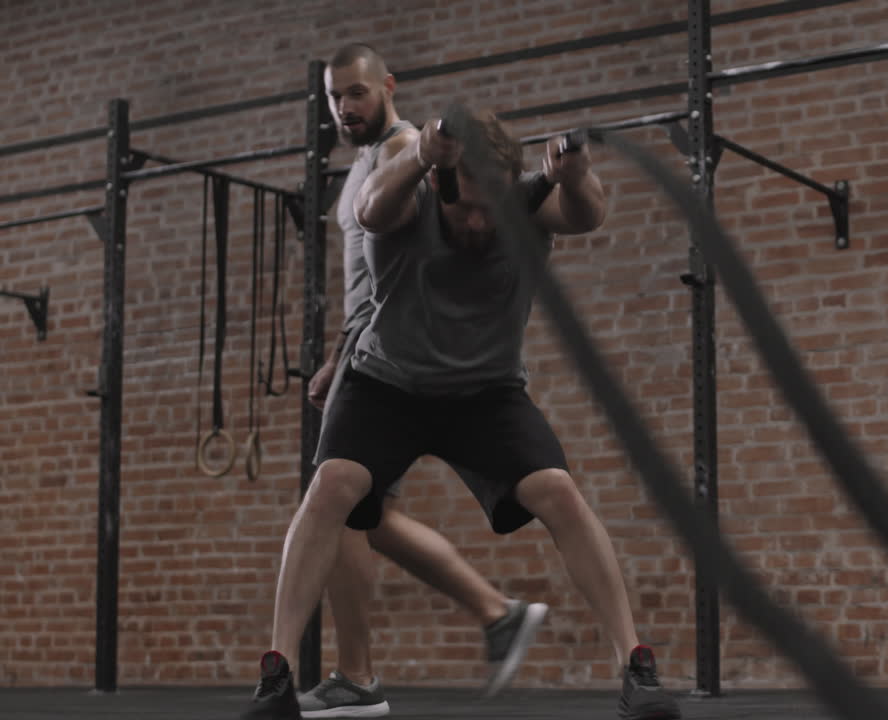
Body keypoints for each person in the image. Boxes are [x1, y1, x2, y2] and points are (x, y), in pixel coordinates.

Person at [239, 51, 681, 720]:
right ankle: (276, 676)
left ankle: (636, 667)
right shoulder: (409, 197)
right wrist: (421, 154)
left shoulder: (525, 203)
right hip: (385, 385)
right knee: (331, 487)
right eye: (467, 207)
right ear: (441, 184)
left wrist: (575, 173)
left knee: (559, 492)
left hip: (486, 393)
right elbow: (368, 208)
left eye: (490, 209)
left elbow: (587, 214)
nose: (479, 222)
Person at [246, 45, 547, 720]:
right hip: (362, 350)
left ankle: (363, 673)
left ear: (387, 86)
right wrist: (338, 352)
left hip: (387, 359)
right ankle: (492, 614)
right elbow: (368, 275)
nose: (344, 107)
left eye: (356, 93)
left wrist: (351, 350)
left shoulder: (408, 150)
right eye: (335, 97)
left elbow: (403, 272)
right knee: (365, 516)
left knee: (349, 510)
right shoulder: (365, 161)